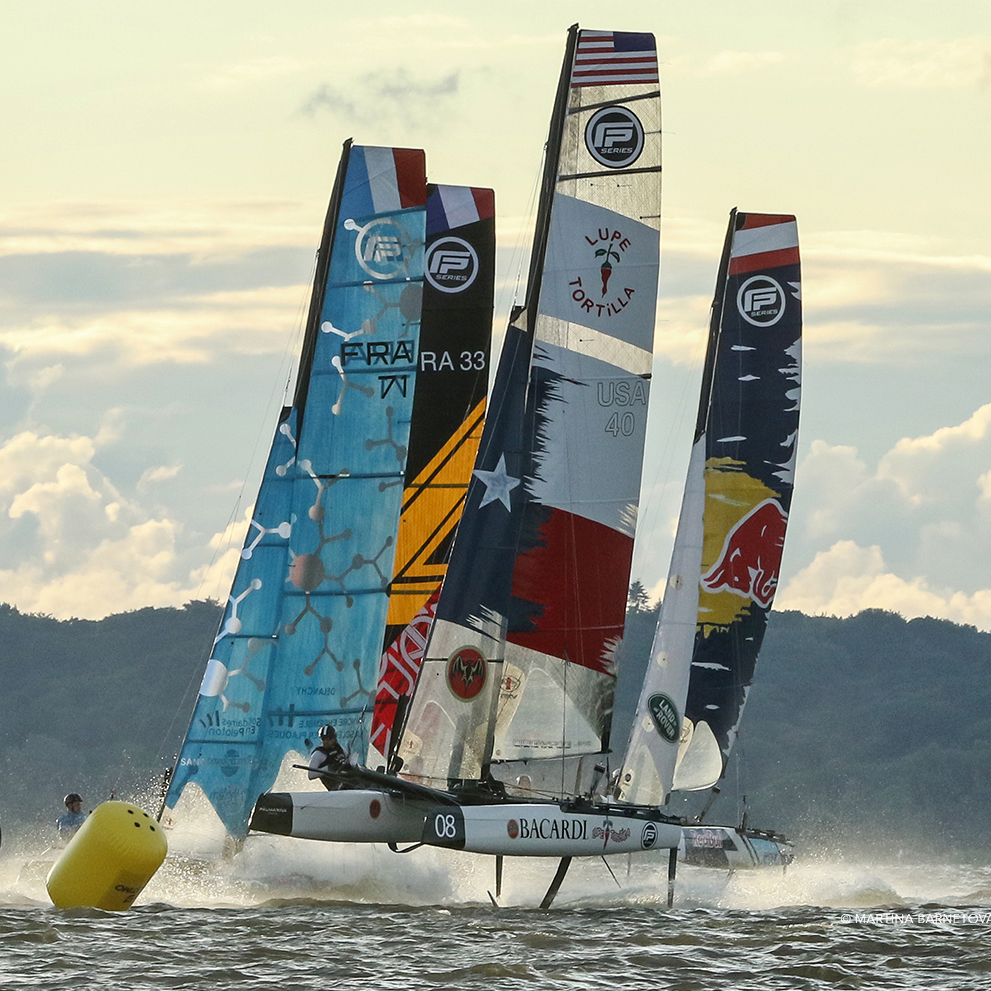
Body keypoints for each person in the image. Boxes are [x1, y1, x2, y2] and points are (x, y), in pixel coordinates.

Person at [308, 725, 349, 791]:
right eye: (323, 739)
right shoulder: (319, 754)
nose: (326, 741)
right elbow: (311, 775)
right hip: (336, 789)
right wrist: (328, 768)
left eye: (329, 738)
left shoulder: (340, 749)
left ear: (335, 738)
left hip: (347, 782)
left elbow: (349, 761)